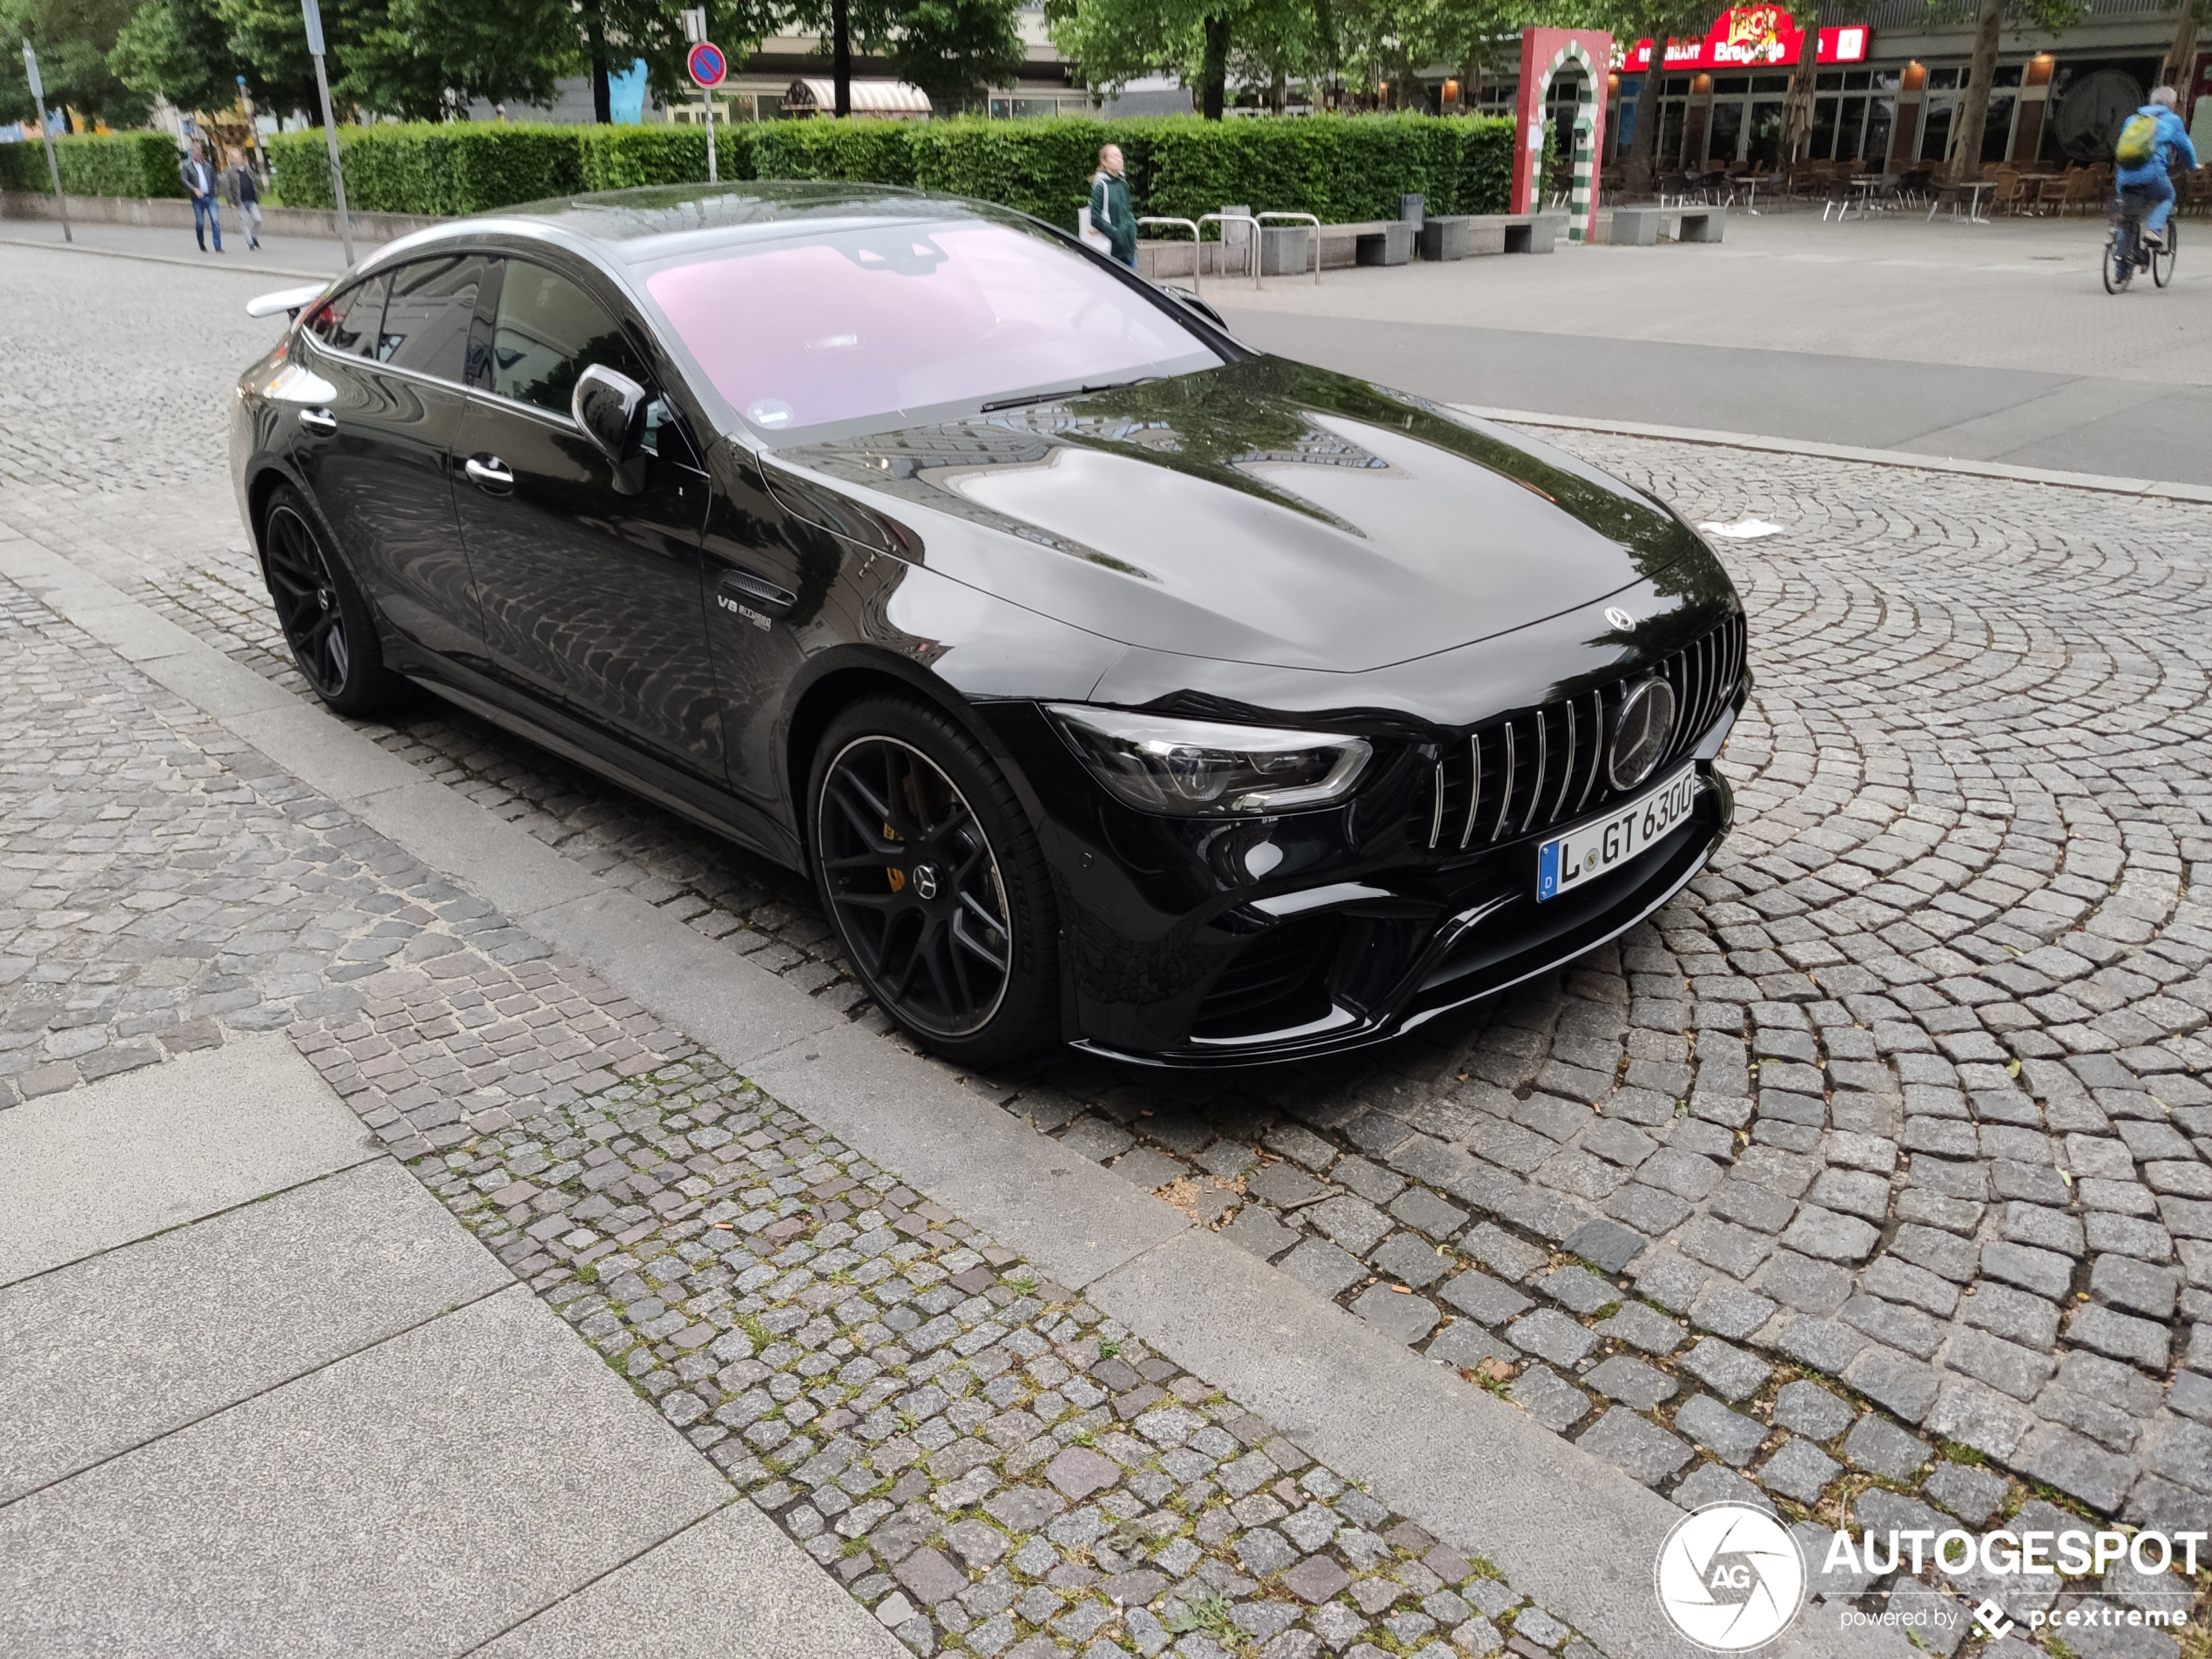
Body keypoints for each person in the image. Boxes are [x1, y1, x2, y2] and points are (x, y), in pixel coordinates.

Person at [2115, 84, 2196, 250]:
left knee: (2129, 216)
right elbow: (2185, 148)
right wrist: (2191, 165)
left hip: (2124, 175)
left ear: (2151, 102)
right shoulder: (2172, 120)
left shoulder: (2132, 120)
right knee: (2167, 197)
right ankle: (2153, 230)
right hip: (2151, 174)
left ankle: (2120, 266)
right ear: (2172, 104)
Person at [1088, 144, 1137, 270]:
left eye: (1120, 156)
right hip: (1112, 251)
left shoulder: (1122, 182)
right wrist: (1116, 234)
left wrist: (1132, 227)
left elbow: (1126, 210)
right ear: (1104, 161)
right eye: (1114, 156)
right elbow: (1095, 218)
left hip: (1128, 248)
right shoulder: (1101, 185)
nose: (1119, 159)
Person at [179, 140, 222, 253]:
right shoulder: (187, 167)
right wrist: (194, 189)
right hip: (197, 199)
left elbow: (215, 179)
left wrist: (215, 192)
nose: (199, 155)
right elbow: (184, 180)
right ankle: (201, 242)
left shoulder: (208, 166)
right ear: (193, 153)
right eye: (197, 153)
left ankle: (217, 247)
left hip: (210, 196)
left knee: (215, 220)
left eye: (200, 153)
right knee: (200, 222)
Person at [226, 149, 262, 251]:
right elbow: (227, 187)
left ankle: (253, 236)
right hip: (240, 201)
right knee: (245, 221)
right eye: (236, 157)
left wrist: (257, 194)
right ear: (232, 159)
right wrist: (230, 201)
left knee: (258, 219)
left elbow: (254, 182)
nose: (238, 159)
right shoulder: (230, 172)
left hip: (251, 199)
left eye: (239, 156)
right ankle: (250, 243)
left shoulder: (248, 169)